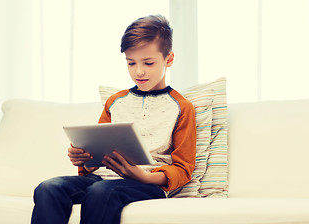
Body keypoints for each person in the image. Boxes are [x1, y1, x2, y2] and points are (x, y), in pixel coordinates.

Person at [31, 14, 197, 224]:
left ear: (169, 59)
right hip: (101, 178)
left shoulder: (182, 107)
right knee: (48, 188)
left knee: (102, 191)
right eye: (131, 63)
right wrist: (85, 159)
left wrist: (143, 176)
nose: (139, 71)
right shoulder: (115, 102)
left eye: (148, 62)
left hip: (147, 184)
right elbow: (96, 154)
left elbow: (183, 169)